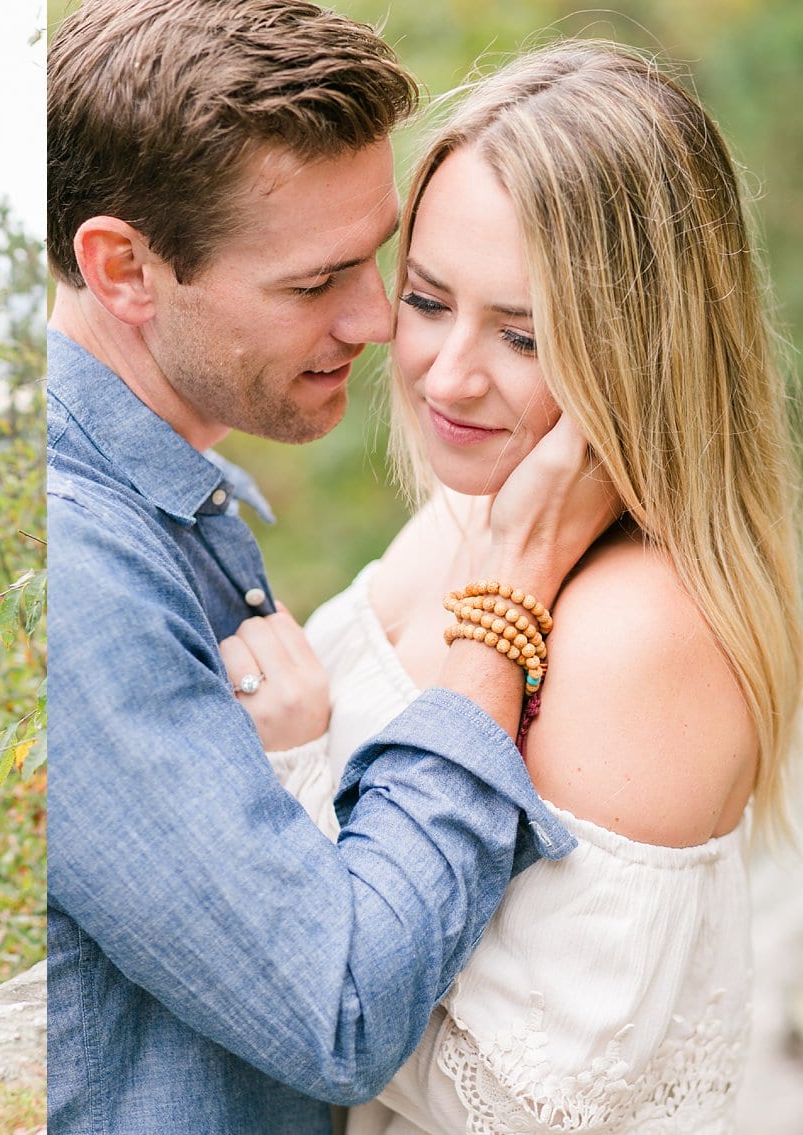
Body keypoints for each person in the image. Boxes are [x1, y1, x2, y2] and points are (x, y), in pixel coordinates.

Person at [46, 2, 617, 1131]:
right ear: (124, 268)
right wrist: (505, 603)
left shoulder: (170, 497)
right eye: (314, 284)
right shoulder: (87, 571)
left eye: (378, 259)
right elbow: (339, 1011)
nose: (372, 322)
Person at [238, 40, 802, 1132]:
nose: (447, 373)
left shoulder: (643, 631)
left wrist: (292, 776)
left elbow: (527, 1103)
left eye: (523, 335)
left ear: (642, 350)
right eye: (428, 299)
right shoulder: (480, 508)